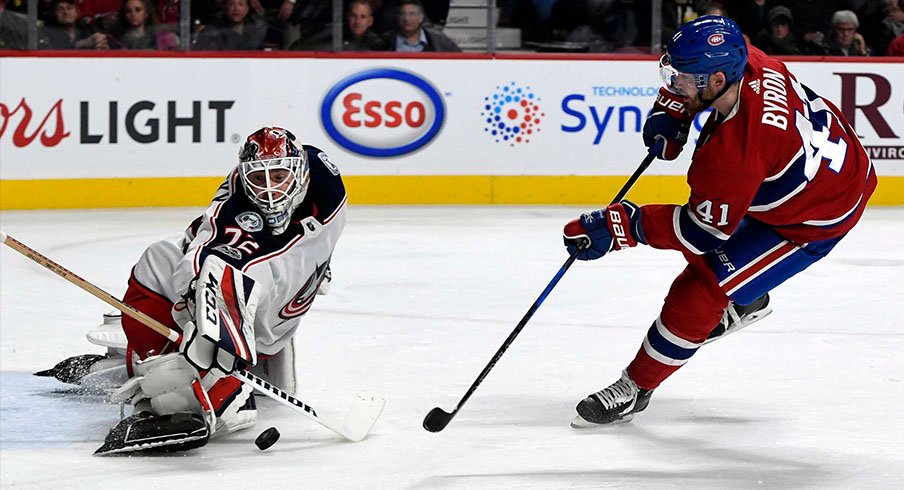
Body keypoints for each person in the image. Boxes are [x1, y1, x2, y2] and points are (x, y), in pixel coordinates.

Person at [562, 15, 877, 427]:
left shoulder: (734, 154)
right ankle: (748, 295)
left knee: (702, 288)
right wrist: (674, 108)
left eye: (682, 81)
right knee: (724, 275)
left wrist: (624, 224)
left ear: (714, 80)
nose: (674, 86)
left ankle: (636, 387)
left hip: (814, 217)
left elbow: (700, 232)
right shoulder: (749, 60)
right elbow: (710, 88)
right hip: (822, 170)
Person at [40, 127, 347, 453]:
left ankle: (205, 389)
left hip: (253, 332)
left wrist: (194, 301)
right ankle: (188, 365)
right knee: (199, 268)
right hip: (276, 326)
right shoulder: (324, 179)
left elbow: (206, 254)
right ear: (245, 177)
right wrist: (195, 295)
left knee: (161, 260)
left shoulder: (241, 228)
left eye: (280, 176)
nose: (270, 191)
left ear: (300, 172)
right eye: (259, 179)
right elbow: (218, 245)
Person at [290, 0, 386, 51]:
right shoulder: (330, 35)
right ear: (347, 17)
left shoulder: (377, 44)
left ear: (370, 21)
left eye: (363, 17)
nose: (357, 21)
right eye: (354, 16)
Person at [385, 0, 460, 52]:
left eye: (412, 14)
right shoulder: (384, 42)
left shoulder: (439, 40)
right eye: (402, 14)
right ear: (397, 17)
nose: (406, 18)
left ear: (421, 18)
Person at [193, 0, 269, 50]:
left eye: (241, 4)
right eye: (231, 4)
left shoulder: (258, 29)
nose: (236, 9)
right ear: (225, 7)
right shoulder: (212, 31)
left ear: (247, 9)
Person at [106, 0, 179, 50]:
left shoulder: (164, 38)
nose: (133, 14)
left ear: (146, 14)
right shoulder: (116, 39)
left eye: (138, 10)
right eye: (128, 11)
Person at [38, 0, 108, 49]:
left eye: (70, 8)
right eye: (60, 9)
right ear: (53, 14)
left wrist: (102, 48)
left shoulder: (88, 30)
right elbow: (49, 51)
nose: (65, 12)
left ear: (77, 13)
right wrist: (79, 45)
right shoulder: (46, 33)